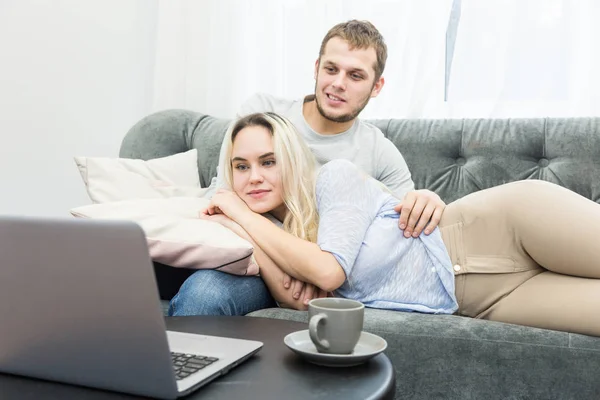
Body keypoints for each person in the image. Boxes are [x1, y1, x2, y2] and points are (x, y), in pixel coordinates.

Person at [202, 111, 600, 337]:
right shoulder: (280, 239)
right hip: (483, 302)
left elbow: (327, 270)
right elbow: (301, 301)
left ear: (291, 159)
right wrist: (244, 227)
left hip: (504, 227)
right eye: (241, 167)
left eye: (268, 161)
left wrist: (239, 213)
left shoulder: (334, 178)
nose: (253, 176)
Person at [169, 20, 445, 316]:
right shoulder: (263, 112)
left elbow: (401, 230)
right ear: (316, 68)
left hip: (320, 271)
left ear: (376, 86)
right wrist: (280, 259)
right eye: (331, 69)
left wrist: (429, 199)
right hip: (256, 257)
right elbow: (223, 195)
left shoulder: (379, 152)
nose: (338, 83)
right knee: (203, 294)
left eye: (355, 75)